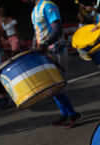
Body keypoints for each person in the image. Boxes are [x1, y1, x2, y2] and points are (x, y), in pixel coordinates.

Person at [29, 0, 82, 128]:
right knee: (52, 87)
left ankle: (73, 114)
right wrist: (33, 47)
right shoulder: (34, 10)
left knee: (58, 86)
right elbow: (37, 33)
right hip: (45, 53)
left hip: (56, 51)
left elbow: (57, 29)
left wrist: (45, 44)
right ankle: (65, 114)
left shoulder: (48, 6)